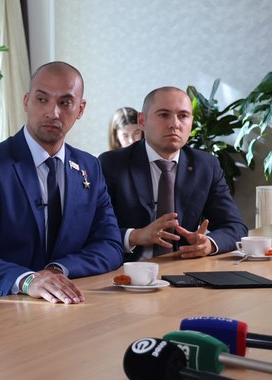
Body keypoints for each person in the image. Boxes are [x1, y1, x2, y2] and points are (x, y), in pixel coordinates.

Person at [0, 61, 123, 304]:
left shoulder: (89, 167)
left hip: (58, 305)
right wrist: (28, 280)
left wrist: (57, 269)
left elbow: (110, 245)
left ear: (81, 109)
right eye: (42, 99)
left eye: (65, 102)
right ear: (26, 101)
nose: (53, 112)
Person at [99, 86, 247, 260]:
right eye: (163, 115)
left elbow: (235, 227)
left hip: (183, 266)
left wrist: (208, 243)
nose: (175, 124)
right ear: (142, 121)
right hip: (127, 269)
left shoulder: (206, 166)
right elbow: (92, 229)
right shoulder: (112, 164)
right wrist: (135, 236)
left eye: (183, 116)